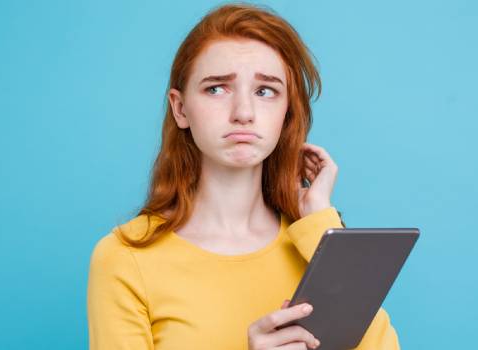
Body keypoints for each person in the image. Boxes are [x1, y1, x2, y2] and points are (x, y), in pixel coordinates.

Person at [87, 3, 400, 349]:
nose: (244, 113)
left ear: (287, 113)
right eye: (217, 88)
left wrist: (322, 226)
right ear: (180, 109)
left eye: (265, 91)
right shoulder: (125, 258)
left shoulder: (315, 247)